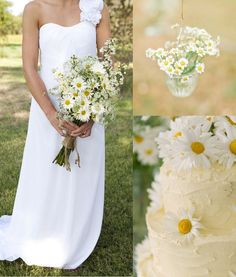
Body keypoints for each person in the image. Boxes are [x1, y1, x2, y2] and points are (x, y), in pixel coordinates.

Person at [0, 0, 111, 269]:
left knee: (80, 173)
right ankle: (44, 227)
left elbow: (106, 61)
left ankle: (74, 234)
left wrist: (92, 114)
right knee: (46, 172)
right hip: (47, 108)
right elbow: (29, 67)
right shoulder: (34, 9)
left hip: (88, 108)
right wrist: (52, 114)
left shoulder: (97, 7)